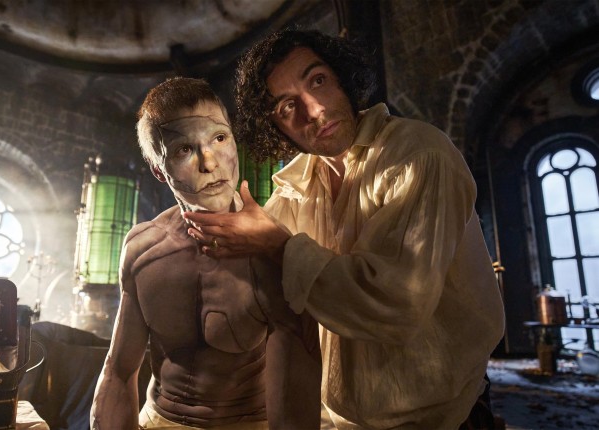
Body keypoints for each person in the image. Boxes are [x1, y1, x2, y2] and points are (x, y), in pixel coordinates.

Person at [184, 30, 506, 429]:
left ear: (342, 78)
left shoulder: (420, 154)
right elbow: (256, 292)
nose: (314, 110)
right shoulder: (294, 188)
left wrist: (278, 246)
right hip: (337, 420)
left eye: (318, 80)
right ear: (276, 127)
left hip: (442, 417)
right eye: (287, 106)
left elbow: (396, 303)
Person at [90, 77, 321, 430]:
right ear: (159, 170)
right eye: (184, 149)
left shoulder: (274, 254)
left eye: (219, 138)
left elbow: (294, 412)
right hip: (157, 420)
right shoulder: (142, 249)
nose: (209, 162)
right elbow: (118, 374)